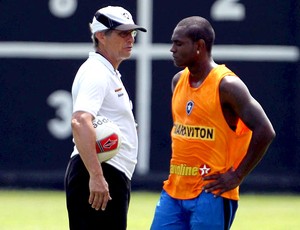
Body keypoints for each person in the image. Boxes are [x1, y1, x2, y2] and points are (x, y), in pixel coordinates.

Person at [150, 16, 275, 229]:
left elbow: (265, 130)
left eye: (178, 43)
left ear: (199, 46)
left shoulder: (227, 85)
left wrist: (237, 175)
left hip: (211, 193)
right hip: (174, 190)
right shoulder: (178, 81)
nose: (172, 49)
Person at [64, 6, 146, 230]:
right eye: (122, 33)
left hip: (107, 173)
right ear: (101, 36)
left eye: (132, 33)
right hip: (100, 173)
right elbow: (80, 121)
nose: (130, 39)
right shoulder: (96, 72)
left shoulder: (107, 72)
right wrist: (97, 177)